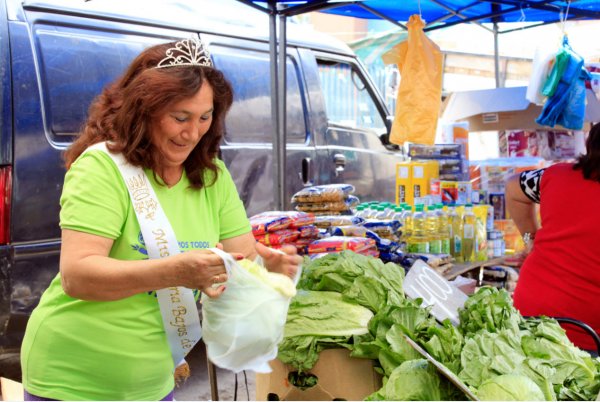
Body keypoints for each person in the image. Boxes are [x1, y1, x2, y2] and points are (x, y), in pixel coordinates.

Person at [20, 38, 302, 401]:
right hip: (72, 379)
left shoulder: (211, 175)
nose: (193, 132)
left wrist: (268, 268)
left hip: (154, 383)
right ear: (143, 110)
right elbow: (78, 276)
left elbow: (239, 258)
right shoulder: (102, 168)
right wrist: (175, 272)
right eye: (180, 117)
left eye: (205, 117)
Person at [505, 122, 600, 355]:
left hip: (531, 313)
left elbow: (512, 188)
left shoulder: (555, 175)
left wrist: (531, 239)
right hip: (584, 335)